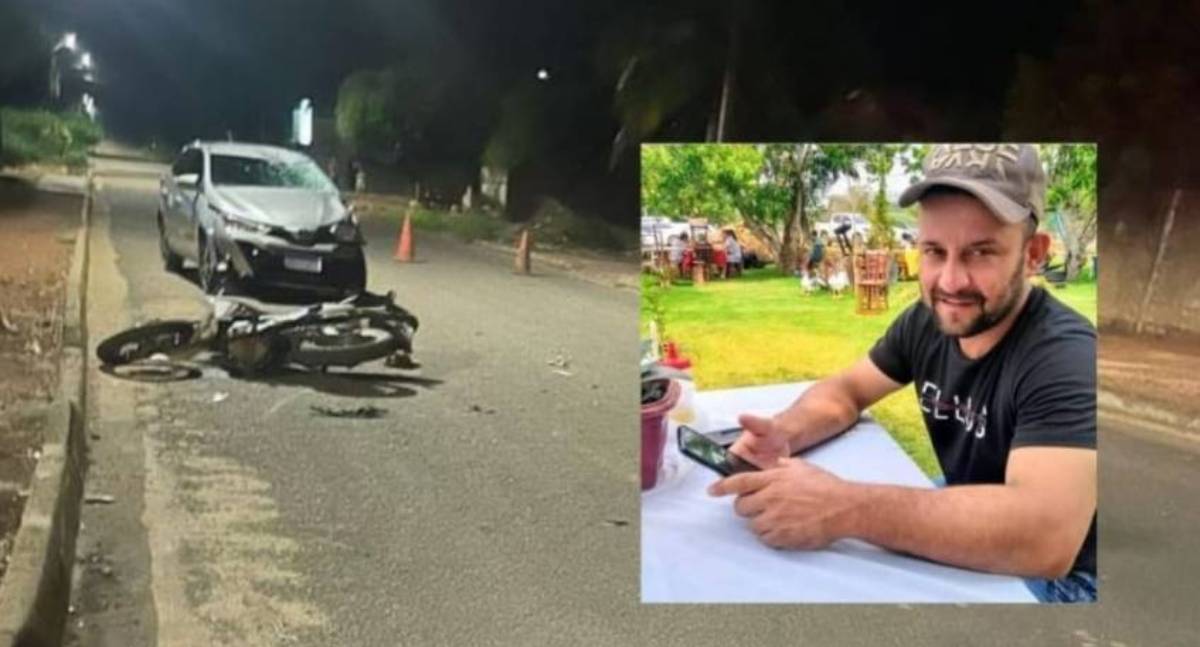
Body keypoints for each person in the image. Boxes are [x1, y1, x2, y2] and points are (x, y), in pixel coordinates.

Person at [708, 144, 1096, 603]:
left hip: (1069, 576)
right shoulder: (927, 321)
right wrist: (785, 433)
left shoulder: (1066, 356)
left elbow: (1044, 537)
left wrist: (843, 506)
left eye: (981, 252)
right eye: (934, 251)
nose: (950, 282)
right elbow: (848, 391)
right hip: (969, 504)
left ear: (1033, 254)